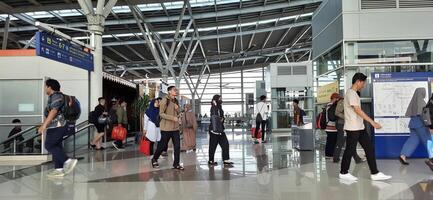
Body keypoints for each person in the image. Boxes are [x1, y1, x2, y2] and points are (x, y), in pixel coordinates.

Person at [339, 73, 391, 181]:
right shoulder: (351, 93)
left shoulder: (354, 93)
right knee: (350, 149)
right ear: (358, 81)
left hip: (359, 127)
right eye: (363, 83)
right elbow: (357, 110)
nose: (364, 85)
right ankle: (343, 172)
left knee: (369, 148)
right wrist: (372, 122)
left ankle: (375, 173)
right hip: (353, 128)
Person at [37, 79, 78, 178]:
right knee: (57, 146)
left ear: (49, 87)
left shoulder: (56, 96)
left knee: (49, 145)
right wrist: (44, 124)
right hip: (57, 125)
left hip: (59, 125)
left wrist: (44, 125)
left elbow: (54, 111)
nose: (44, 88)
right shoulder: (55, 96)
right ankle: (59, 170)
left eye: (45, 86)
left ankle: (68, 161)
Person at [399, 88, 433, 171]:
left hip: (413, 124)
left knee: (413, 140)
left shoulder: (413, 102)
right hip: (421, 125)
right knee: (429, 141)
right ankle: (432, 159)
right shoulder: (422, 102)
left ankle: (403, 155)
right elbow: (424, 116)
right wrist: (430, 126)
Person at [151, 86, 184, 170]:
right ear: (169, 91)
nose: (176, 91)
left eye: (177, 90)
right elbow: (161, 114)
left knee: (177, 146)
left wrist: (179, 111)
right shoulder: (164, 100)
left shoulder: (176, 100)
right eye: (174, 90)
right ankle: (154, 158)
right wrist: (173, 118)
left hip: (175, 128)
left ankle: (176, 164)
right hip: (166, 128)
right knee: (162, 146)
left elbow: (178, 111)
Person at [333, 94, 364, 163]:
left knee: (351, 142)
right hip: (342, 124)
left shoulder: (352, 102)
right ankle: (336, 158)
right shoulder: (343, 101)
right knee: (341, 141)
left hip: (349, 125)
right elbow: (337, 112)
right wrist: (347, 117)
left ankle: (357, 159)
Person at [208, 94, 233, 167]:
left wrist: (222, 119)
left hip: (220, 129)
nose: (221, 100)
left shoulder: (219, 107)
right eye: (220, 99)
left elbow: (221, 117)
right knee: (213, 146)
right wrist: (214, 104)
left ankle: (226, 160)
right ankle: (211, 160)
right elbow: (214, 116)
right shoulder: (214, 107)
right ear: (216, 99)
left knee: (225, 144)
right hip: (214, 130)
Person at [324, 93, 339, 158]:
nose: (338, 100)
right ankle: (329, 154)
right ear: (334, 98)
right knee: (332, 141)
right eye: (337, 98)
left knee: (330, 141)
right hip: (331, 126)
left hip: (328, 126)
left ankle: (329, 154)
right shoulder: (331, 105)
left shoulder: (328, 105)